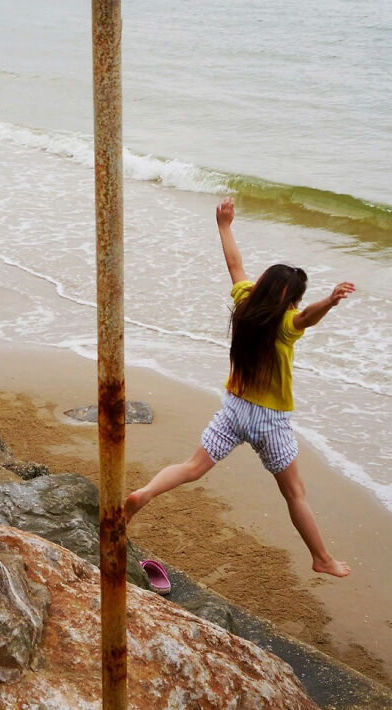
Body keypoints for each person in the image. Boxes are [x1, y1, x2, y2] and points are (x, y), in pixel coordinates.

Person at [125, 197, 355, 578]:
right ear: (291, 302)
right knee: (294, 493)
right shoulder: (286, 325)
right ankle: (322, 558)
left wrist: (225, 226)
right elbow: (307, 319)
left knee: (192, 467)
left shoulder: (245, 300)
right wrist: (329, 301)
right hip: (271, 421)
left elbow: (235, 264)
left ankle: (145, 493)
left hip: (234, 408)